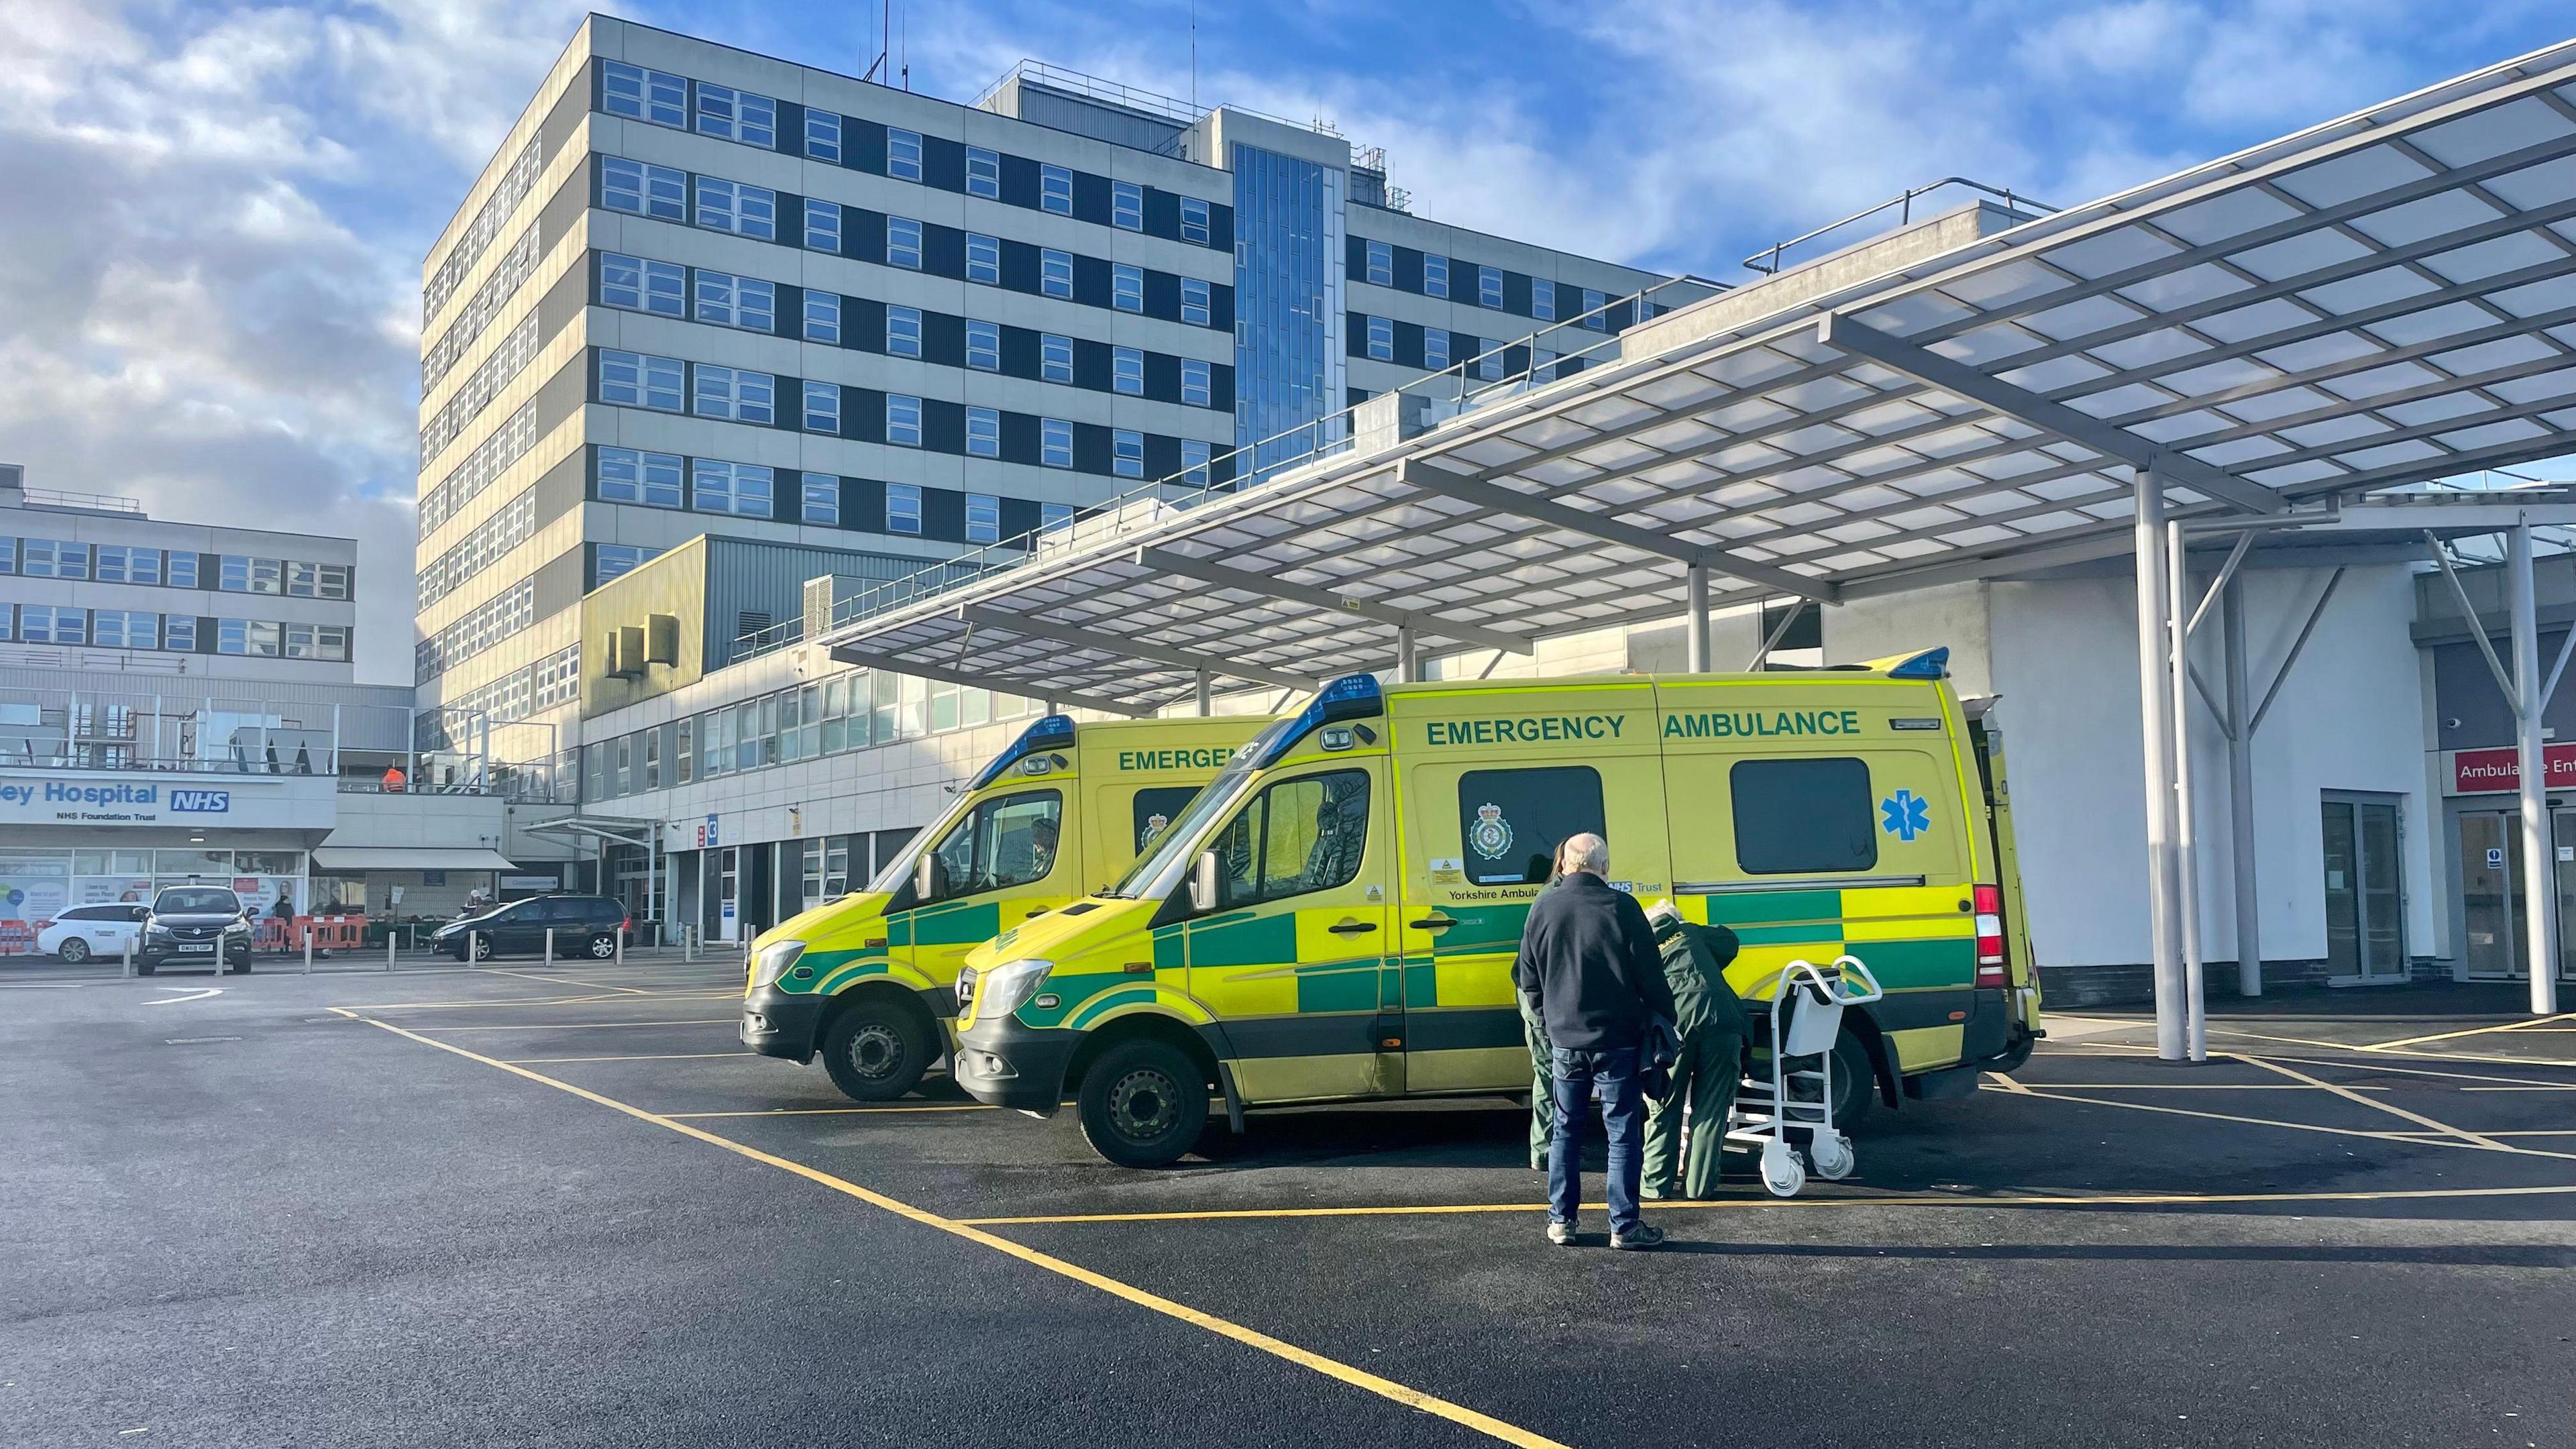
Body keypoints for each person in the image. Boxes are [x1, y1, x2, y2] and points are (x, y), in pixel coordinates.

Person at [1512, 833, 1676, 1250]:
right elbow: (1652, 978)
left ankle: (1561, 1222)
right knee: (1622, 1132)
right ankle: (1624, 1226)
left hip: (1566, 1039)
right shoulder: (1623, 908)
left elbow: (1526, 978)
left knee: (1566, 1129)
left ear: (1565, 865)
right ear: (1605, 869)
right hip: (1618, 1040)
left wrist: (1551, 1021)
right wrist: (1663, 1022)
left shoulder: (1542, 907)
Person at [1642, 904, 1753, 1202]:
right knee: (1712, 1108)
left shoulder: (1641, 945)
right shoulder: (1692, 933)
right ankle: (1699, 1187)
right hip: (1723, 1021)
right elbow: (1729, 942)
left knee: (1664, 1103)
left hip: (1675, 1026)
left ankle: (1654, 1186)